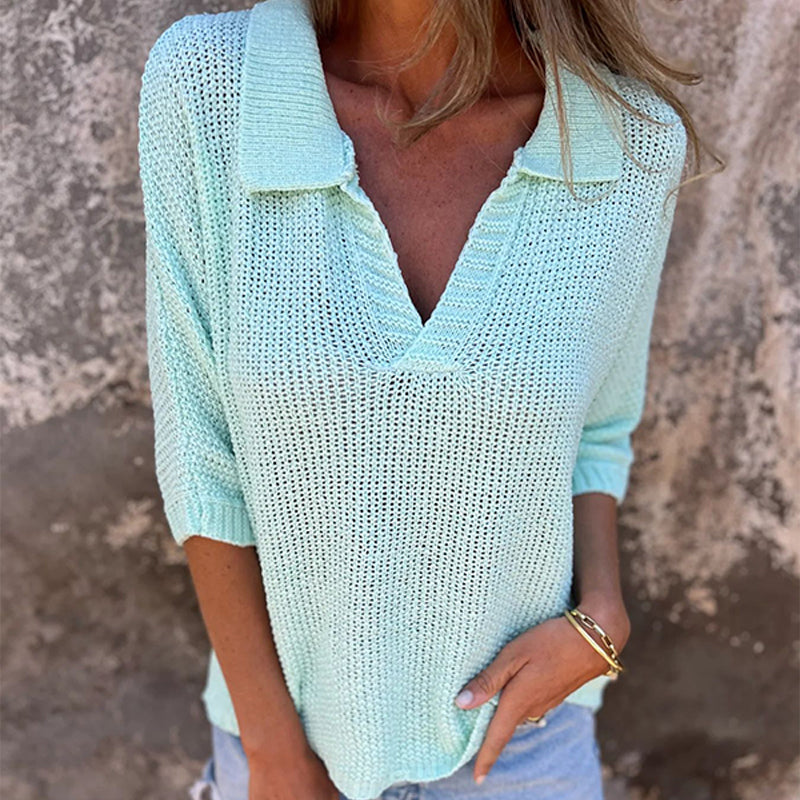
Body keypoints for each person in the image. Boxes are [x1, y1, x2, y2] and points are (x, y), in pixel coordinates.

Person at [137, 0, 707, 798]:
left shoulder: (626, 141)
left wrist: (602, 613)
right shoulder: (214, 88)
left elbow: (598, 428)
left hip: (522, 749)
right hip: (281, 752)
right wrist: (275, 756)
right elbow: (201, 459)